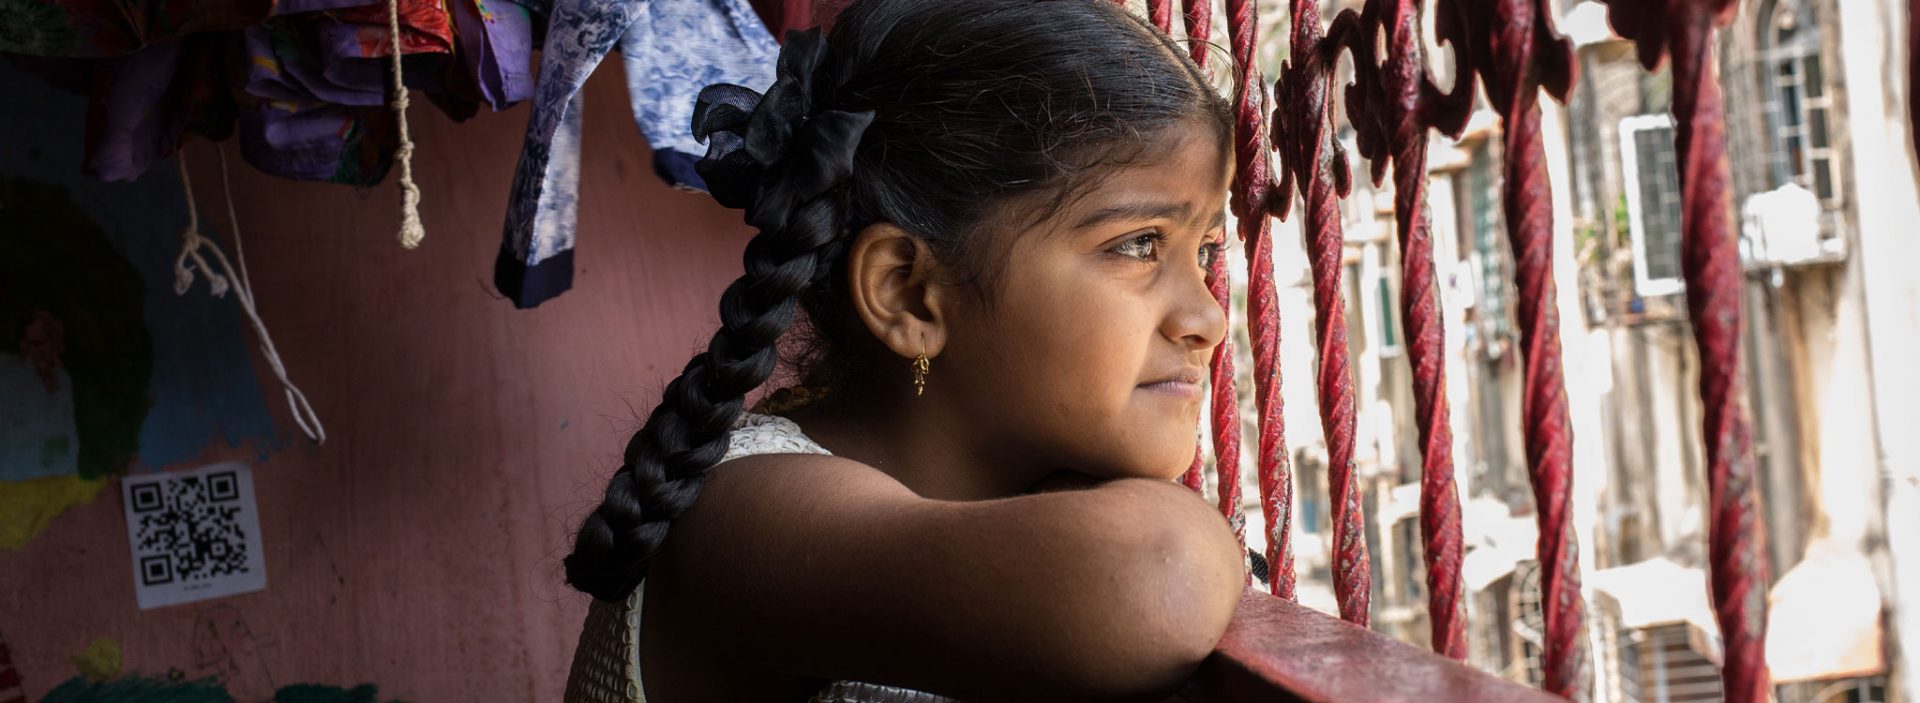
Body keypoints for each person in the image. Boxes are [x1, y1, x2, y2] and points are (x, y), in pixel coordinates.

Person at [563, 0, 1247, 699]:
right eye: (1137, 244)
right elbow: (1159, 578)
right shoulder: (752, 511)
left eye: (1205, 252)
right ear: (909, 293)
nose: (1209, 317)